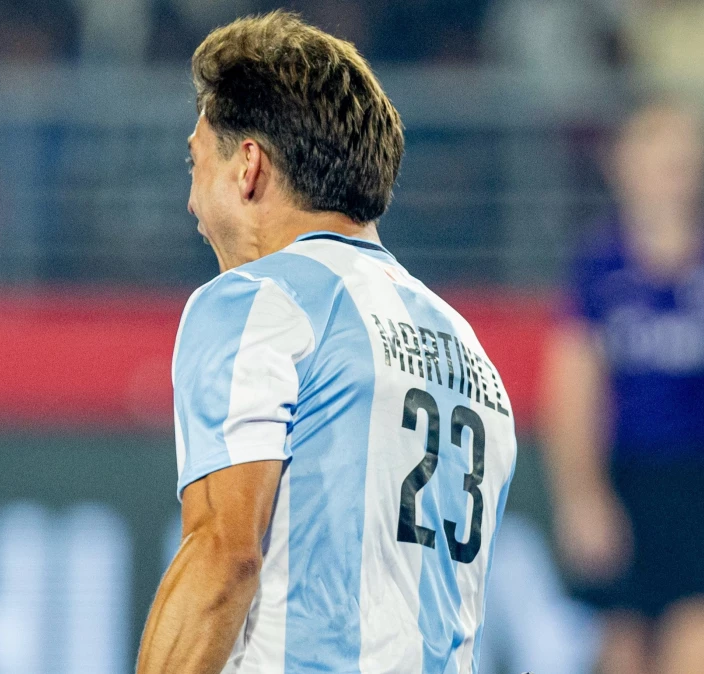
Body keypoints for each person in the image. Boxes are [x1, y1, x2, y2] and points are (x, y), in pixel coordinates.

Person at [136, 12, 518, 674]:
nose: (193, 205)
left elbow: (223, 555)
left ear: (247, 166)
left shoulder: (256, 300)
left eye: (195, 162)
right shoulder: (467, 347)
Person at [543, 102, 704, 674]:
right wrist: (582, 495)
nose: (672, 177)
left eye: (684, 163)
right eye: (658, 162)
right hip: (628, 484)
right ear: (623, 170)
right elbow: (573, 392)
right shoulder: (599, 268)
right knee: (623, 655)